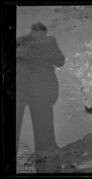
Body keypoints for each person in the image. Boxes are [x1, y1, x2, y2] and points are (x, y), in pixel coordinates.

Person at [16, 22, 65, 172]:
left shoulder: (20, 41)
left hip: (20, 89)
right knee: (43, 132)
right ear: (43, 31)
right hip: (39, 92)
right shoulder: (49, 42)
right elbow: (60, 61)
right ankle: (46, 166)